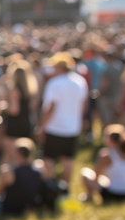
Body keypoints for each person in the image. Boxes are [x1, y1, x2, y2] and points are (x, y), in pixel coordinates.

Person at [38, 52, 89, 187]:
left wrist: (42, 126)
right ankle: (66, 188)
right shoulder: (80, 81)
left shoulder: (54, 83)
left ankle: (51, 188)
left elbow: (51, 108)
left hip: (54, 127)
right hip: (72, 127)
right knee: (68, 159)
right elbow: (83, 105)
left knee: (48, 159)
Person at [80, 123, 125, 204]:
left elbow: (96, 177)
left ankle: (89, 197)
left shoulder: (106, 155)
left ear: (110, 139)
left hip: (113, 195)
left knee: (85, 173)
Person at [0, 137, 43, 216]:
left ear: (18, 153)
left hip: (7, 210)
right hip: (27, 209)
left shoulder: (10, 173)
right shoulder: (37, 172)